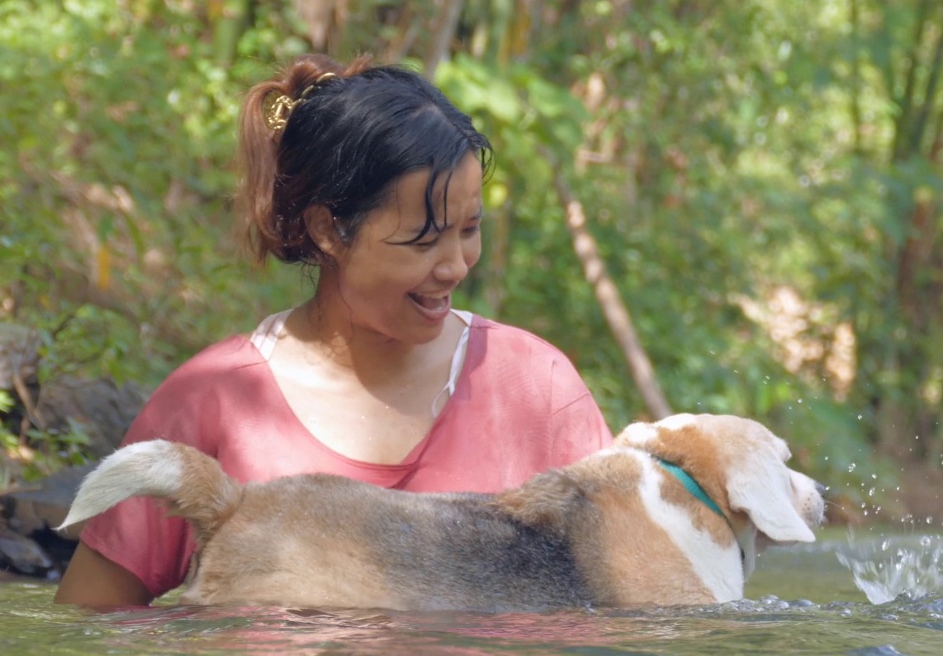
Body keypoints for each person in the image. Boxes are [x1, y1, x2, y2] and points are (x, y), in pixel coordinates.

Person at [54, 54, 612, 607]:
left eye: (469, 230)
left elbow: (621, 614)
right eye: (423, 239)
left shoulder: (535, 389)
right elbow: (87, 635)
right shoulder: (214, 402)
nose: (456, 265)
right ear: (328, 229)